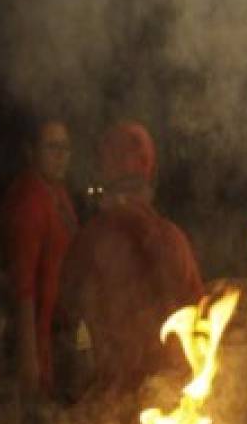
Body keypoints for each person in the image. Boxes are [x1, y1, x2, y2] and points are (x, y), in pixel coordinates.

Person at [61, 121, 204, 405]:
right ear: (150, 179)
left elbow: (67, 315)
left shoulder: (87, 242)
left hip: (111, 400)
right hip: (172, 400)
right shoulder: (171, 239)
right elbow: (198, 317)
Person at [0, 117, 78, 400]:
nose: (61, 156)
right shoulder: (28, 201)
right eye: (52, 147)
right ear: (31, 151)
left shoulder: (57, 193)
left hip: (58, 326)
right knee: (39, 421)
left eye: (65, 148)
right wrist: (29, 355)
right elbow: (23, 284)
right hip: (36, 332)